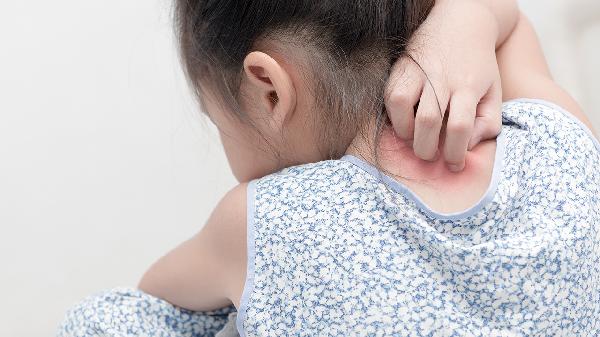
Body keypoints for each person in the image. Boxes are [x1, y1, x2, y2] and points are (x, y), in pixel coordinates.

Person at [58, 0, 600, 336]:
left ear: (268, 90)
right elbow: (513, 21)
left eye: (217, 120)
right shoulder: (560, 142)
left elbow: (139, 312)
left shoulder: (261, 223)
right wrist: (470, 16)